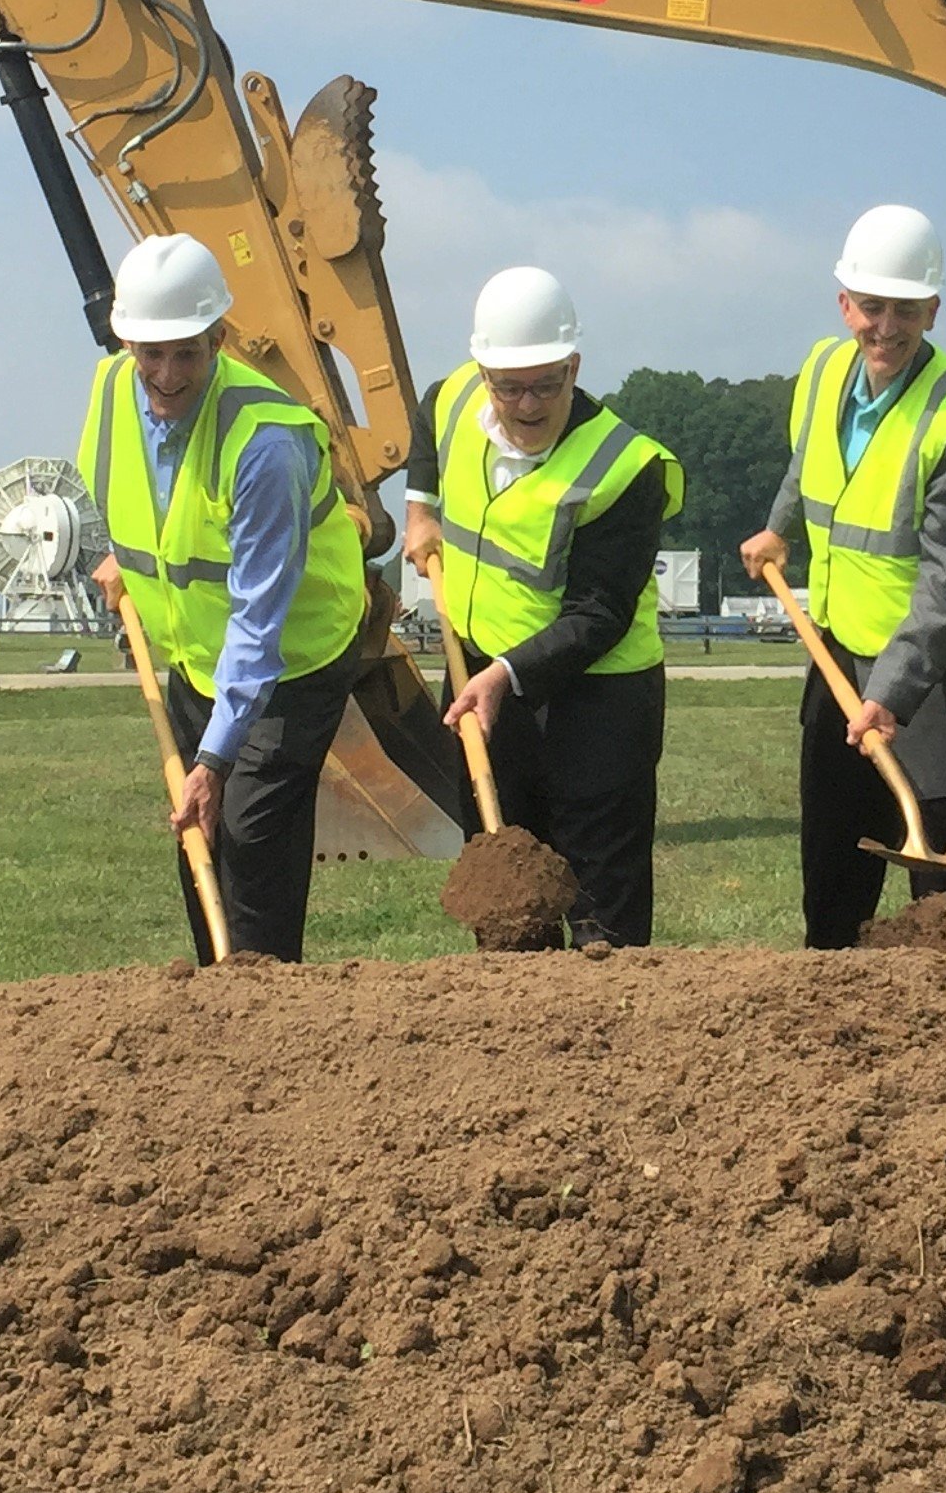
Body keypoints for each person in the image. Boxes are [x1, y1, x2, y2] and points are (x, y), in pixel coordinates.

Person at [80, 232, 375, 963]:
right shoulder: (113, 389)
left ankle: (265, 1018)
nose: (168, 374)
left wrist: (215, 758)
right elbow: (141, 497)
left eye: (188, 351)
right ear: (126, 343)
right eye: (151, 353)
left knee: (249, 839)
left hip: (292, 662)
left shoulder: (265, 445)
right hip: (194, 656)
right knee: (199, 833)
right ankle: (215, 1000)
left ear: (219, 337)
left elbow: (258, 621)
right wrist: (124, 555)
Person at [740, 206, 946, 950]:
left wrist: (891, 694)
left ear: (933, 309)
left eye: (905, 309)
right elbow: (811, 460)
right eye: (871, 306)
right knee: (833, 888)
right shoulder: (826, 369)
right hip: (838, 660)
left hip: (942, 682)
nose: (885, 327)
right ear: (844, 304)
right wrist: (779, 525)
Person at [402, 267, 681, 947]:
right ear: (484, 370)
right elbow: (429, 416)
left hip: (598, 706)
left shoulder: (625, 468)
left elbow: (599, 613)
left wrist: (502, 676)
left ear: (573, 366)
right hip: (485, 689)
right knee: (504, 905)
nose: (527, 405)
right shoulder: (456, 401)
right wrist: (420, 509)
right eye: (509, 387)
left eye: (547, 385)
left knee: (600, 921)